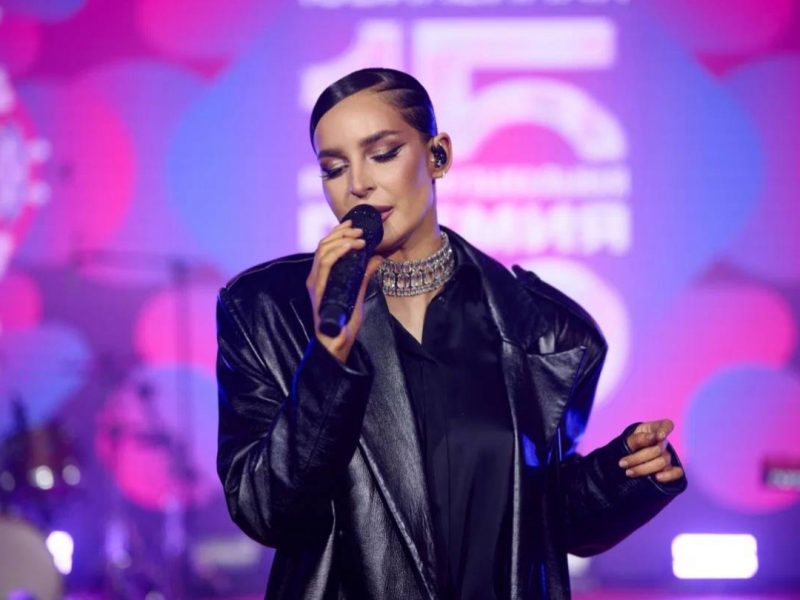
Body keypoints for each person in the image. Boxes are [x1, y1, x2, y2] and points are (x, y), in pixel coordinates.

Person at [216, 67, 687, 600]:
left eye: (383, 153)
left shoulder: (547, 332)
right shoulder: (266, 311)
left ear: (438, 155)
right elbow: (266, 511)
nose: (357, 184)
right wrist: (328, 356)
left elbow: (541, 518)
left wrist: (619, 477)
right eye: (334, 168)